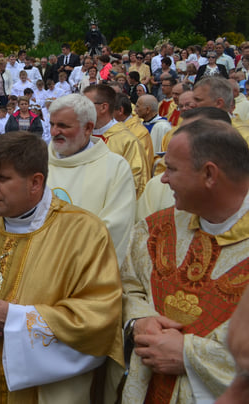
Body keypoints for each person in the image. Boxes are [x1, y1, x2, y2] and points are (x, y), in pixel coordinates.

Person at [0, 131, 123, 402]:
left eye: (2, 178)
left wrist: (15, 319)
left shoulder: (84, 233)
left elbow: (98, 315)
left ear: (35, 182)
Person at [121, 119, 249, 402]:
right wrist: (138, 321)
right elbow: (128, 288)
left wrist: (190, 356)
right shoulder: (154, 230)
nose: (163, 180)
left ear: (209, 174)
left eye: (172, 169)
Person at [47, 94, 137, 261]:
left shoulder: (115, 167)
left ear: (88, 128)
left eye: (63, 126)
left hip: (85, 269)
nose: (54, 132)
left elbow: (115, 228)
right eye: (52, 124)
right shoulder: (38, 162)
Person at [84, 84, 150, 197]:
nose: (81, 109)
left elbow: (134, 183)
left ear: (104, 107)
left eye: (85, 105)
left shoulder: (128, 141)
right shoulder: (82, 136)